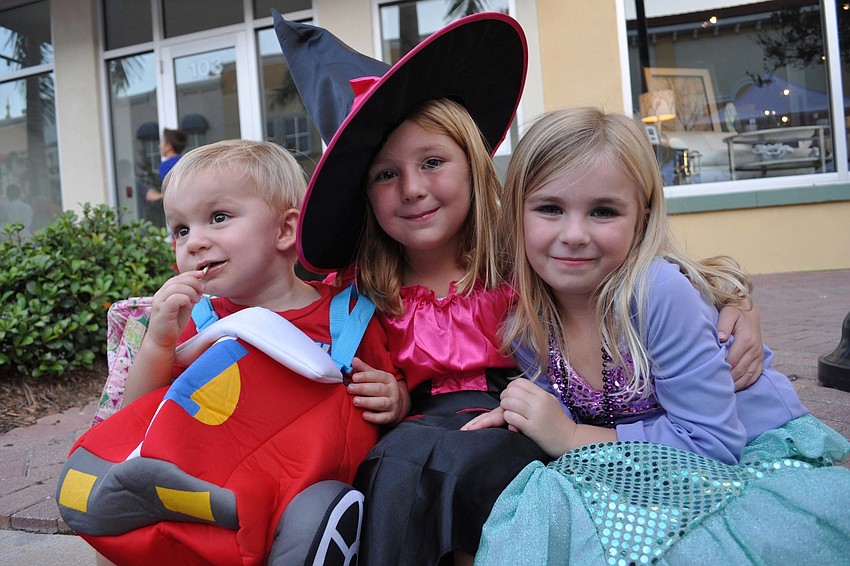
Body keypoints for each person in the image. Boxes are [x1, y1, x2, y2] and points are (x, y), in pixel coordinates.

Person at [274, 14, 766, 565]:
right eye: (385, 175)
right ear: (365, 194)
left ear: (475, 165)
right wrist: (390, 396)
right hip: (420, 427)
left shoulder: (524, 255)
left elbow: (646, 268)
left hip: (524, 418)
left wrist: (733, 301)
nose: (412, 189)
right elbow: (300, 318)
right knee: (400, 461)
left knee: (463, 464)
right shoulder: (362, 287)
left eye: (432, 163)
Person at [465, 108, 850, 564]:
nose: (573, 234)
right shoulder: (526, 318)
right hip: (645, 465)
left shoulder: (658, 293)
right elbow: (560, 402)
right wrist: (521, 412)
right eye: (550, 208)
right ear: (516, 214)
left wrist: (569, 435)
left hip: (738, 462)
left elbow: (712, 447)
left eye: (603, 211)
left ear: (641, 218)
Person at [61, 139, 405, 566]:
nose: (194, 243)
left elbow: (393, 392)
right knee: (123, 531)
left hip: (301, 489)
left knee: (312, 517)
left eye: (218, 218)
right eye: (181, 230)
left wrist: (394, 397)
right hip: (208, 487)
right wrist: (159, 342)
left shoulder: (346, 316)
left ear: (284, 230)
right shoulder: (198, 320)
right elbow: (136, 415)